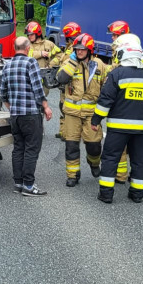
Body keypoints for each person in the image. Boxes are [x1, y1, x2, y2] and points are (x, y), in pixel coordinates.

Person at [90, 34, 143, 204]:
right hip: (140, 130)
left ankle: (106, 194)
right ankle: (137, 194)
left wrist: (95, 120)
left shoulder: (117, 74)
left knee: (110, 159)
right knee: (138, 160)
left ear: (122, 55)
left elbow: (105, 101)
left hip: (117, 129)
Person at [0, 36, 54, 196]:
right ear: (27, 47)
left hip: (15, 116)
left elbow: (3, 94)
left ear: (15, 47)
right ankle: (29, 186)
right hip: (31, 115)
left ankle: (18, 183)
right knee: (31, 149)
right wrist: (46, 107)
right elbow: (38, 89)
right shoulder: (31, 63)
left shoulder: (7, 66)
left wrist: (13, 107)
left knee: (18, 148)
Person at [54, 33, 106, 187]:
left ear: (89, 50)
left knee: (94, 145)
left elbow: (106, 87)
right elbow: (60, 79)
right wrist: (72, 63)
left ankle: (94, 163)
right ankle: (73, 175)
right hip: (71, 113)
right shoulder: (69, 63)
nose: (79, 52)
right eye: (77, 49)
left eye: (83, 49)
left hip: (91, 114)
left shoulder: (99, 65)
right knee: (71, 146)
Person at [104, 21, 134, 184]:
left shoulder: (127, 55)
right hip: (126, 106)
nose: (113, 39)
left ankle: (128, 176)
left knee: (126, 144)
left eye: (116, 35)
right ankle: (122, 175)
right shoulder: (119, 53)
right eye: (113, 35)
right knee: (124, 145)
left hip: (126, 105)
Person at [51, 22, 82, 139]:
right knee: (62, 105)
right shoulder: (70, 48)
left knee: (66, 107)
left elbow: (66, 62)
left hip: (70, 82)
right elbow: (61, 58)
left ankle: (68, 133)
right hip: (65, 82)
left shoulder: (74, 49)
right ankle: (63, 132)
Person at [25, 21, 60, 95]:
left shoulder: (49, 44)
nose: (29, 37)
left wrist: (51, 64)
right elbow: (25, 55)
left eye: (31, 34)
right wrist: (40, 53)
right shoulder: (26, 44)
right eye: (28, 35)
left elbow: (60, 55)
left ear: (38, 33)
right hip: (30, 79)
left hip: (44, 80)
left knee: (42, 100)